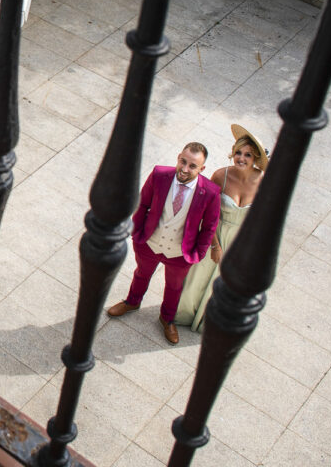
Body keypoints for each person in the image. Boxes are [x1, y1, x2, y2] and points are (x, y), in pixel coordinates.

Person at [106, 143, 222, 345]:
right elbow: (143, 203)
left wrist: (199, 253)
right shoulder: (159, 175)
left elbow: (209, 227)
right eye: (183, 161)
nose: (185, 169)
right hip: (150, 243)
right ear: (178, 157)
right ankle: (132, 302)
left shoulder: (211, 193)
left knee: (174, 286)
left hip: (180, 253)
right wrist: (136, 232)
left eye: (192, 166)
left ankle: (167, 319)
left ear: (202, 169)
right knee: (141, 273)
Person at [174, 124, 268, 332]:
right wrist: (215, 246)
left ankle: (209, 322)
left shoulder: (264, 183)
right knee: (197, 279)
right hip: (214, 236)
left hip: (241, 242)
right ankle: (182, 316)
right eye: (238, 153)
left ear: (255, 159)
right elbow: (207, 213)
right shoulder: (221, 176)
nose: (241, 158)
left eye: (248, 155)